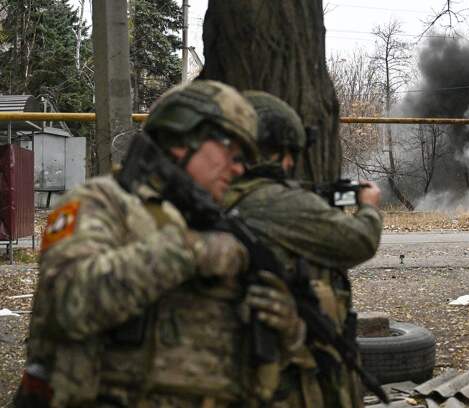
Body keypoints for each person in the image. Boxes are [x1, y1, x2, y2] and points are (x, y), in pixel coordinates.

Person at [15, 80, 304, 408]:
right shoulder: (104, 203)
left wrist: (288, 328)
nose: (239, 167)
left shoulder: (227, 228)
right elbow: (67, 302)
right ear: (184, 137)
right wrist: (191, 251)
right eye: (231, 151)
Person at [222, 91, 383, 408]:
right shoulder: (275, 202)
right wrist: (369, 209)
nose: (293, 163)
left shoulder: (211, 194)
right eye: (289, 153)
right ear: (275, 150)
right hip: (280, 364)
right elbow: (358, 241)